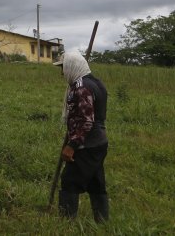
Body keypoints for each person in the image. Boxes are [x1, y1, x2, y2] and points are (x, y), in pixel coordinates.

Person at [55, 49, 109, 222]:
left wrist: (71, 146)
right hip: (99, 143)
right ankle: (102, 222)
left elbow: (86, 121)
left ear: (72, 66)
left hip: (87, 145)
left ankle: (65, 224)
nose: (62, 72)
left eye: (63, 67)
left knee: (69, 181)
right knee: (96, 183)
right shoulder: (96, 83)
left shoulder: (82, 88)